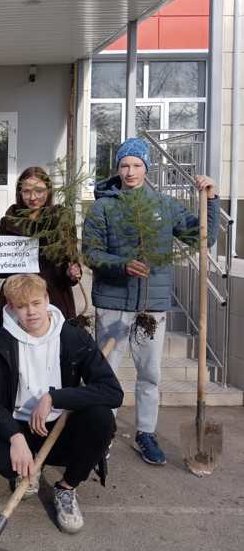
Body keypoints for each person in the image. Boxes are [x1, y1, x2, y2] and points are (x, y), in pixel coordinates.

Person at [82, 138, 219, 466]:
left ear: (147, 168)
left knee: (150, 374)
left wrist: (210, 199)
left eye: (137, 165)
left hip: (151, 306)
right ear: (117, 169)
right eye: (124, 165)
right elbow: (91, 251)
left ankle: (145, 433)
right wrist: (122, 264)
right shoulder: (103, 206)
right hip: (113, 302)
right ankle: (104, 433)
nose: (130, 172)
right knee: (106, 374)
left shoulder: (164, 205)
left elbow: (203, 237)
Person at [0, 274, 123, 535]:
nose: (31, 312)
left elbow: (112, 391)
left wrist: (56, 397)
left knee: (101, 419)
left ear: (46, 300)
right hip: (20, 427)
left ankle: (66, 488)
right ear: (10, 308)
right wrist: (14, 437)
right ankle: (27, 470)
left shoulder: (73, 337)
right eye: (21, 306)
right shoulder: (1, 342)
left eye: (35, 303)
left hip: (60, 431)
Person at [0, 166, 82, 328]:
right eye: (26, 191)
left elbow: (71, 262)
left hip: (54, 297)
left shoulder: (61, 218)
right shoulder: (10, 221)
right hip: (18, 299)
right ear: (19, 192)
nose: (33, 197)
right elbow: (2, 269)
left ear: (48, 190)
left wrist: (73, 273)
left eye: (39, 191)